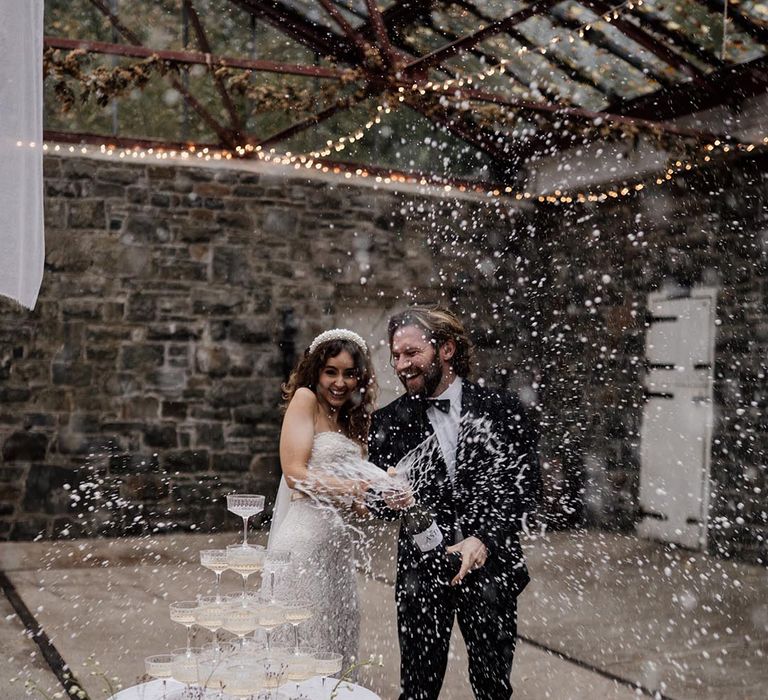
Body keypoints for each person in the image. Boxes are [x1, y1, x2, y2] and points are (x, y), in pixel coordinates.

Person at [368, 306, 540, 700]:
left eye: (412, 353)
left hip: (492, 570)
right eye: (396, 356)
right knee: (417, 691)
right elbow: (373, 501)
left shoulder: (502, 409)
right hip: (421, 576)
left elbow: (524, 488)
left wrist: (483, 540)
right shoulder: (388, 421)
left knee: (493, 688)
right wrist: (388, 497)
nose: (402, 364)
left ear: (445, 349)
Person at [268, 328, 378, 668]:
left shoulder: (350, 422)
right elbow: (295, 473)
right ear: (316, 370)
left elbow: (355, 505)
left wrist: (378, 492)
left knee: (336, 644)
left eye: (349, 374)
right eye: (331, 371)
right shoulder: (306, 401)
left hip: (337, 556)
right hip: (302, 548)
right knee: (303, 648)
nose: (339, 382)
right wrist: (352, 488)